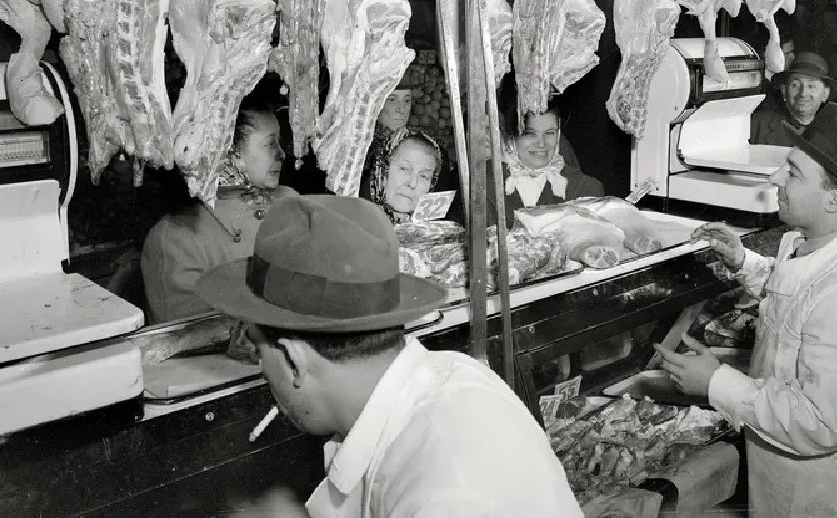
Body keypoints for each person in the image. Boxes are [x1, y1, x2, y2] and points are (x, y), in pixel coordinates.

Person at [194, 195, 583, 517]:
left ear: (293, 359)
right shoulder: (449, 372)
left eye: (255, 345)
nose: (262, 369)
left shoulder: (446, 494)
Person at [662, 104, 837, 517]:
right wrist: (743, 261)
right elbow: (801, 297)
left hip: (823, 497)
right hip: (786, 478)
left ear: (834, 200)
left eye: (792, 172)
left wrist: (716, 382)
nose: (775, 178)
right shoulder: (824, 241)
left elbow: (820, 423)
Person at [141, 97, 297, 323]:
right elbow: (192, 333)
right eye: (270, 143)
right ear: (229, 151)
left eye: (279, 142)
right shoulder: (175, 239)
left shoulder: (289, 201)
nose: (281, 153)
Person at [487, 95, 604, 227]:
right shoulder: (484, 185)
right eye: (530, 133)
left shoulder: (586, 190)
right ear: (512, 137)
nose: (541, 143)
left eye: (549, 133)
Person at [750, 52, 837, 146]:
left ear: (825, 94)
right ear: (784, 90)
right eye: (795, 85)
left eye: (811, 86)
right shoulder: (758, 125)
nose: (803, 93)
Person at [360, 128, 443, 224]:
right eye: (404, 168)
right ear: (381, 170)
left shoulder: (433, 230)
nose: (412, 184)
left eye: (423, 176)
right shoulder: (353, 222)